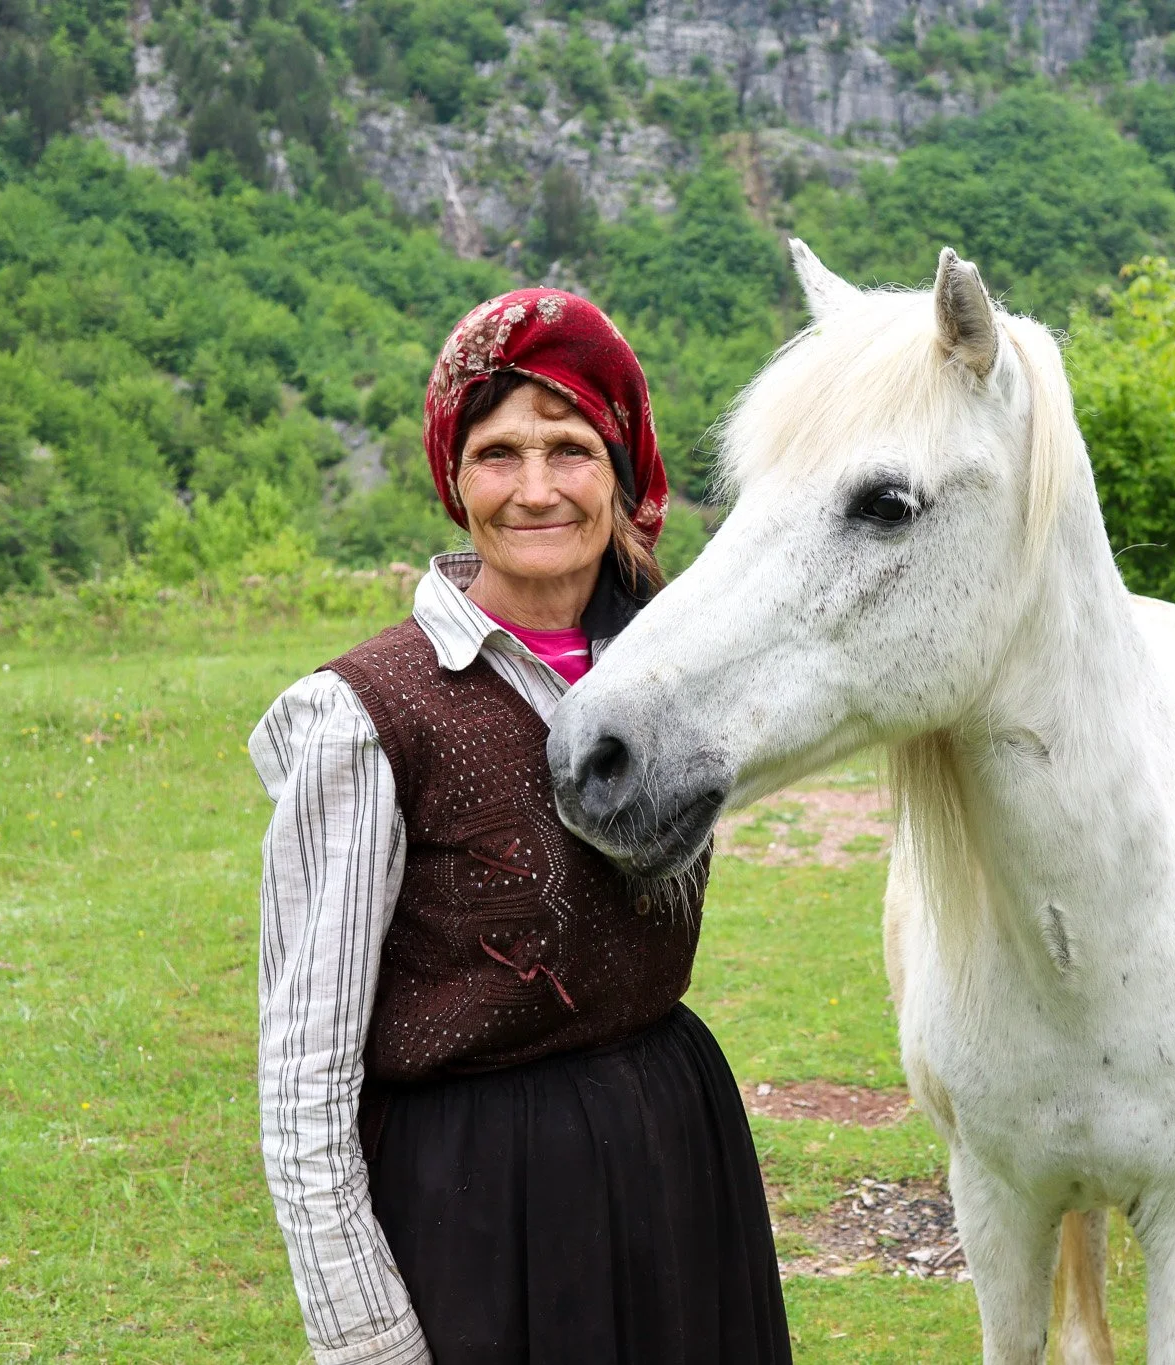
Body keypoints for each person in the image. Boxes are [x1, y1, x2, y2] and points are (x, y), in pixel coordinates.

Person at [248, 289, 791, 1365]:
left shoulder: (668, 677)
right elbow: (303, 1071)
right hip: (477, 1194)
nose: (535, 488)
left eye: (570, 449)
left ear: (619, 468)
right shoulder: (366, 713)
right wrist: (365, 1339)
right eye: (498, 453)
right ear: (453, 477)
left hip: (674, 1143)